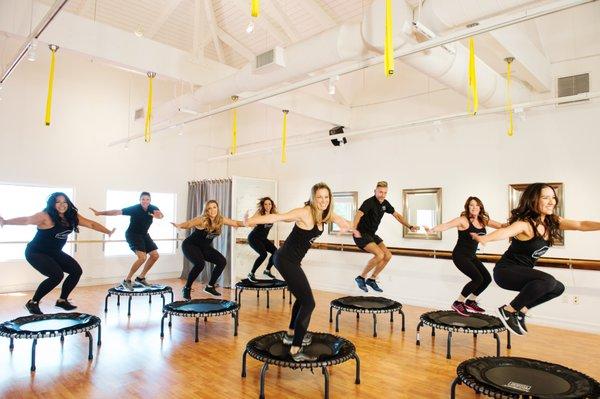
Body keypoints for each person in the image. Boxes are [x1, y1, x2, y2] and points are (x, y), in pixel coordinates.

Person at [245, 182, 359, 362]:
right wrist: (251, 221)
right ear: (313, 198)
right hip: (285, 260)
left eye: (326, 197)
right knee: (309, 303)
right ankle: (295, 349)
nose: (323, 201)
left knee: (302, 298)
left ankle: (291, 333)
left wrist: (350, 227)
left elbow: (343, 222)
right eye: (319, 197)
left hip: (291, 262)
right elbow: (277, 217)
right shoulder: (305, 212)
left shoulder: (325, 214)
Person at [472, 183, 600, 335]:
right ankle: (508, 311)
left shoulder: (552, 221)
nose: (551, 201)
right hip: (505, 272)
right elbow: (505, 232)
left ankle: (521, 311)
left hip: (522, 273)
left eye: (553, 197)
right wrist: (485, 238)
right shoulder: (525, 224)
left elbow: (580, 224)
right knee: (548, 281)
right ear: (533, 200)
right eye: (545, 198)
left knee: (558, 288)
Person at [0, 192, 114, 314]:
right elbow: (27, 220)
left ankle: (62, 300)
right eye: (58, 202)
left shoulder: (72, 216)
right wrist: (5, 222)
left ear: (68, 203)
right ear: (52, 204)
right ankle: (33, 303)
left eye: (64, 202)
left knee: (76, 271)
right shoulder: (45, 216)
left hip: (54, 252)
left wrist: (107, 232)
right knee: (56, 275)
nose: (62, 205)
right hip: (36, 252)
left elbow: (91, 224)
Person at [427, 196, 505, 316]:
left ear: (480, 207)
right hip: (460, 255)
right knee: (477, 279)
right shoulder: (463, 220)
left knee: (487, 279)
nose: (474, 207)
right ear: (467, 207)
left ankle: (470, 301)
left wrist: (518, 223)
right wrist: (432, 230)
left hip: (471, 256)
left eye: (476, 205)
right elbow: (446, 225)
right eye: (471, 205)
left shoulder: (483, 220)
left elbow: (502, 226)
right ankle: (458, 303)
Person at [90, 191, 163, 290]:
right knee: (142, 257)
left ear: (150, 200)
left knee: (155, 255)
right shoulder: (134, 209)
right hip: (133, 234)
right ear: (140, 200)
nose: (145, 201)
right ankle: (127, 280)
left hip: (144, 235)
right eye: (143, 199)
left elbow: (160, 216)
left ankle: (141, 278)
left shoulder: (153, 208)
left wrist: (159, 216)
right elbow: (116, 212)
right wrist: (99, 213)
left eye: (147, 199)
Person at [353, 181, 417, 292]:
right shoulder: (368, 202)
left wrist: (410, 226)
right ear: (375, 191)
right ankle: (361, 277)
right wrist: (353, 229)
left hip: (371, 234)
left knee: (387, 255)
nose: (382, 195)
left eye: (385, 192)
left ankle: (372, 279)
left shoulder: (385, 204)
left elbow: (396, 215)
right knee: (379, 255)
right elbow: (358, 214)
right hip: (361, 233)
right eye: (380, 192)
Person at [172, 200, 243, 299]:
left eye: (214, 207)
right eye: (209, 208)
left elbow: (235, 222)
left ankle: (210, 286)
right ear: (206, 210)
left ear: (217, 208)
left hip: (204, 247)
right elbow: (188, 224)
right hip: (190, 245)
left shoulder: (220, 219)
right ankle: (187, 288)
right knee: (200, 264)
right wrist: (179, 225)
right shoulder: (202, 220)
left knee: (222, 261)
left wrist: (246, 223)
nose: (212, 210)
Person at [247, 197, 278, 281]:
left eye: (269, 204)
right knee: (263, 254)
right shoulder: (260, 213)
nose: (268, 206)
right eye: (265, 204)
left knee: (276, 252)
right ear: (263, 205)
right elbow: (251, 221)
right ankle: (251, 274)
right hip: (254, 238)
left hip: (263, 239)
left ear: (272, 205)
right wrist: (250, 223)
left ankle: (267, 271)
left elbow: (284, 217)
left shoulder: (273, 214)